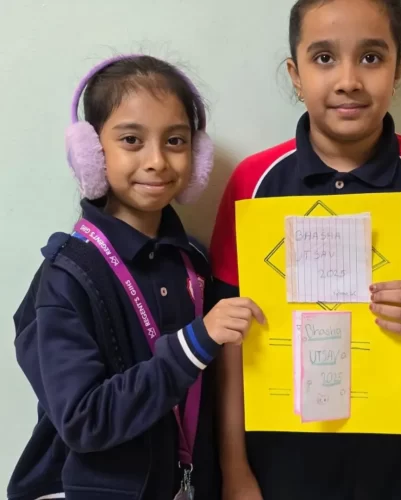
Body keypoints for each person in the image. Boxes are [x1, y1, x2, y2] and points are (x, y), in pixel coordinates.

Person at [209, 0, 401, 498]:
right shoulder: (253, 184)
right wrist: (235, 469)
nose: (348, 80)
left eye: (371, 57)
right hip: (284, 459)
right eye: (324, 58)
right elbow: (231, 344)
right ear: (295, 74)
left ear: (398, 68)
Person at [8, 54, 264, 500]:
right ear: (90, 153)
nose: (157, 161)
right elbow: (84, 421)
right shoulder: (66, 276)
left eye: (175, 141)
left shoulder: (193, 262)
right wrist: (194, 344)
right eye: (131, 140)